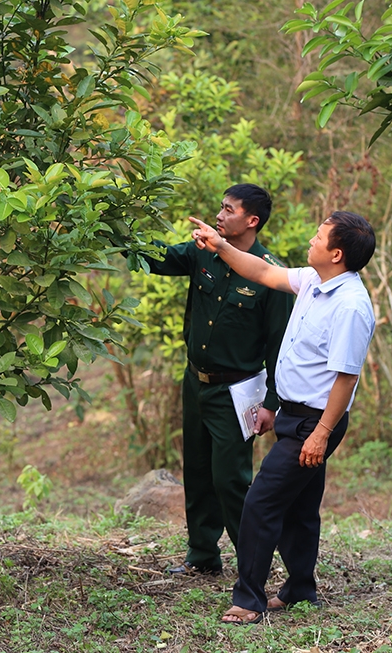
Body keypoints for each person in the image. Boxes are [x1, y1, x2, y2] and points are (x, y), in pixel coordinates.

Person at [189, 210, 376, 624]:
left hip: (314, 423)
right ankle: (300, 590)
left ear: (337, 253)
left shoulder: (350, 306)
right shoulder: (314, 281)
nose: (311, 239)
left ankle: (248, 599)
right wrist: (220, 245)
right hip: (294, 415)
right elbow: (262, 272)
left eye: (319, 236)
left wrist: (321, 434)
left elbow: (345, 379)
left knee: (259, 503)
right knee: (300, 507)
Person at [136, 184, 293, 575]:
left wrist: (273, 403)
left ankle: (252, 565)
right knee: (199, 472)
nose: (219, 216)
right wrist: (114, 233)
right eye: (220, 208)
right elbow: (158, 259)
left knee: (231, 479)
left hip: (237, 390)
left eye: (228, 209)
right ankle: (202, 556)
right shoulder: (202, 253)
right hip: (197, 383)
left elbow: (279, 346)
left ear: (251, 220)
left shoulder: (269, 273)